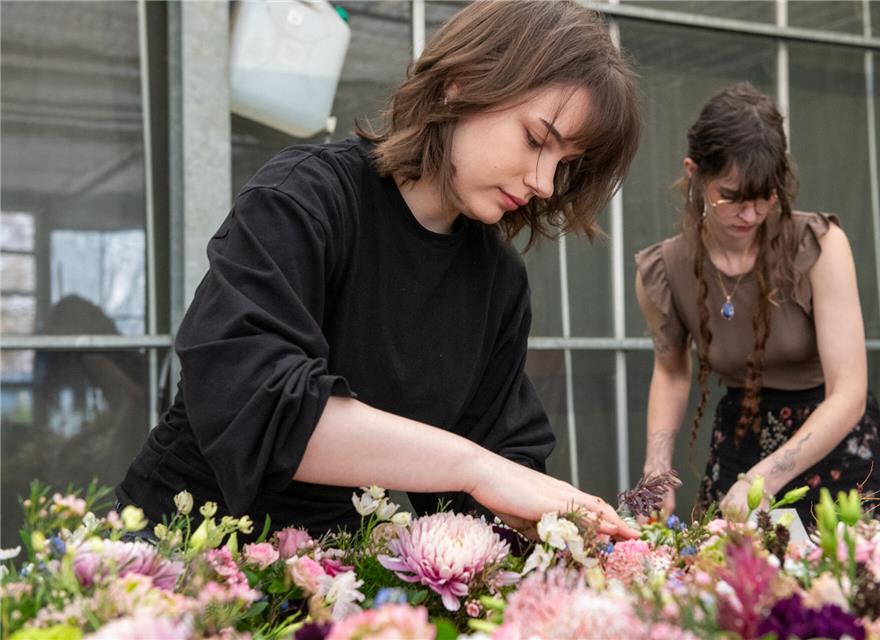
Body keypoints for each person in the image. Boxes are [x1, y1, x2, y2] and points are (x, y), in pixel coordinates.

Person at [118, 0, 641, 540]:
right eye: (536, 140)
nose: (545, 183)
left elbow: (504, 456)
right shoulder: (306, 198)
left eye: (565, 164)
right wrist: (478, 468)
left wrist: (558, 528)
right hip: (180, 542)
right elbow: (260, 406)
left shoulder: (497, 280)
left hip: (334, 567)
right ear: (460, 82)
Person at [634, 82, 880, 528]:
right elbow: (671, 369)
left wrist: (764, 478)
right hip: (741, 442)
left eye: (765, 197)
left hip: (836, 446)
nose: (750, 215)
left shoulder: (820, 246)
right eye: (733, 197)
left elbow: (849, 392)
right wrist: (656, 467)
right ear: (694, 172)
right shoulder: (666, 268)